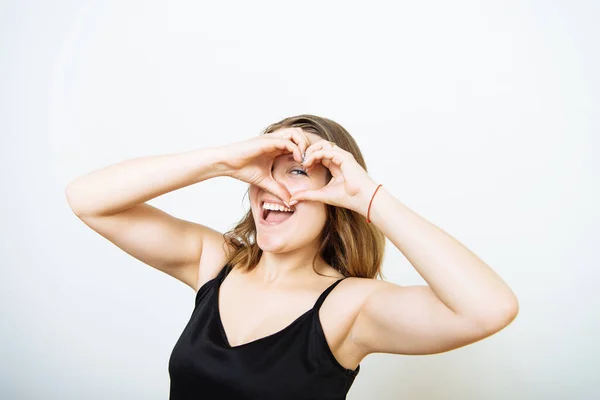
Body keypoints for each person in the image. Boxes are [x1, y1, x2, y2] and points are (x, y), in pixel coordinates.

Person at [65, 114, 519, 399]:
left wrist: (371, 198)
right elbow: (87, 199)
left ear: (336, 199)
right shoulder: (215, 262)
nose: (273, 188)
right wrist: (221, 160)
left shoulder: (349, 307)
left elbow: (488, 309)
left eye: (298, 174)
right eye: (265, 172)